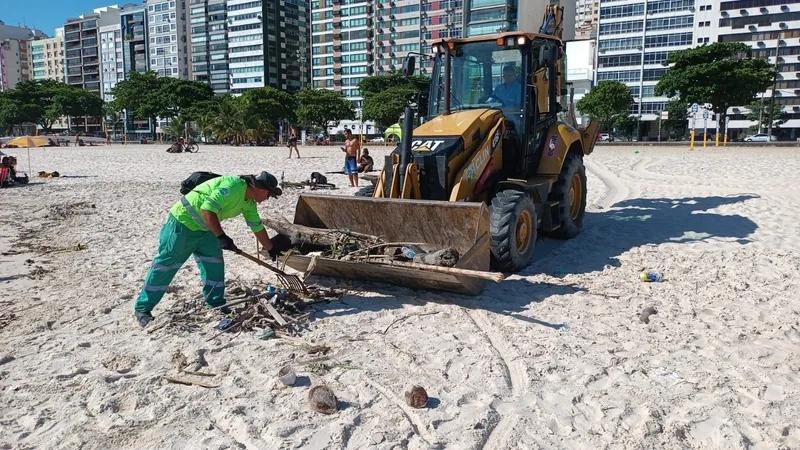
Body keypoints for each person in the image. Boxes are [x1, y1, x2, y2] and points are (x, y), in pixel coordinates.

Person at [133, 171, 284, 328]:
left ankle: (216, 303)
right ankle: (143, 309)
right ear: (259, 188)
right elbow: (207, 209)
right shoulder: (233, 186)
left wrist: (270, 248)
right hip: (182, 223)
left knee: (214, 265)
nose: (268, 198)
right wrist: (221, 236)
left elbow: (256, 226)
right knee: (166, 266)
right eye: (269, 194)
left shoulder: (249, 203)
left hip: (206, 229)